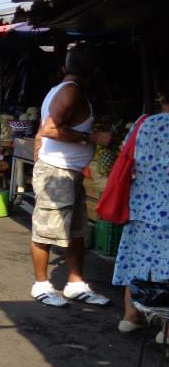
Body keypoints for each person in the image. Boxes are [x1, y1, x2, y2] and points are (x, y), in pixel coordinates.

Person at [29, 46, 113, 307]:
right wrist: (91, 138)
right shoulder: (70, 91)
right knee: (45, 230)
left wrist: (37, 159)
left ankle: (75, 284)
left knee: (75, 231)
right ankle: (41, 285)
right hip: (56, 173)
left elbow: (40, 135)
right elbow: (50, 129)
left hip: (66, 172)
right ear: (92, 73)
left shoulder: (64, 90)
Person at [114, 87, 169, 338]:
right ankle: (166, 330)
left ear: (161, 97)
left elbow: (126, 154)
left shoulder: (143, 124)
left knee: (136, 261)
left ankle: (131, 316)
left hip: (141, 205)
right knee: (166, 268)